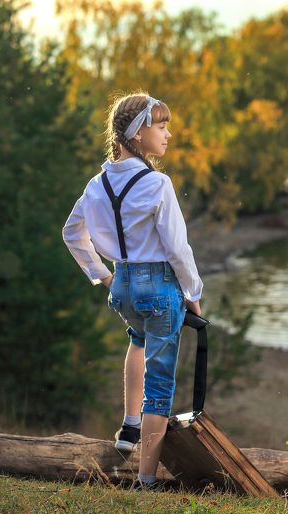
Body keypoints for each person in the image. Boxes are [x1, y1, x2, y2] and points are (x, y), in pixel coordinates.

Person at [62, 92, 203, 490]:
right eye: (161, 126)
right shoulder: (157, 183)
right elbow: (177, 247)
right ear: (138, 133)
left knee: (137, 339)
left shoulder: (96, 183)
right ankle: (145, 479)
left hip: (122, 287)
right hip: (158, 286)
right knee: (160, 384)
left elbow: (71, 233)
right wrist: (193, 292)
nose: (168, 134)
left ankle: (129, 426)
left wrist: (103, 276)